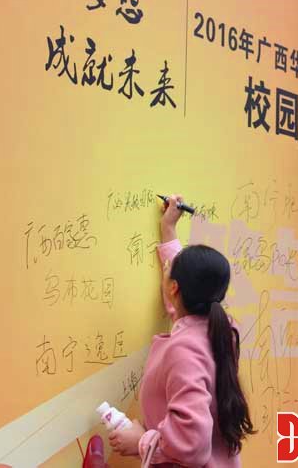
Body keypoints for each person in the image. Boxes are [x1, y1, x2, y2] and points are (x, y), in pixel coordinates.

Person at [108, 194, 254, 466]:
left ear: (174, 287)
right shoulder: (218, 330)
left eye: (169, 272)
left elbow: (192, 445)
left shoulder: (185, 349)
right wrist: (168, 228)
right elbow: (184, 294)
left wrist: (142, 442)